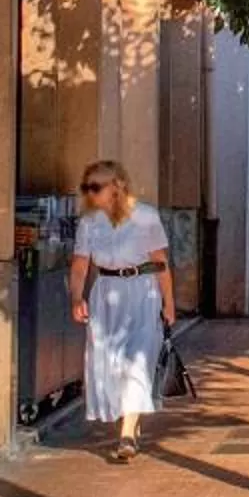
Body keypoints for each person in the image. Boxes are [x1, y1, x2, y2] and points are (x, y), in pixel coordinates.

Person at [68, 160, 173, 464]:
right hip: (106, 294)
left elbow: (160, 262)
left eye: (96, 187)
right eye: (86, 188)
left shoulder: (145, 217)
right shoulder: (89, 222)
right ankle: (130, 421)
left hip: (142, 291)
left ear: (117, 186)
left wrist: (168, 304)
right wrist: (77, 297)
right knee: (111, 365)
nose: (91, 194)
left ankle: (127, 435)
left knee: (136, 360)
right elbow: (79, 266)